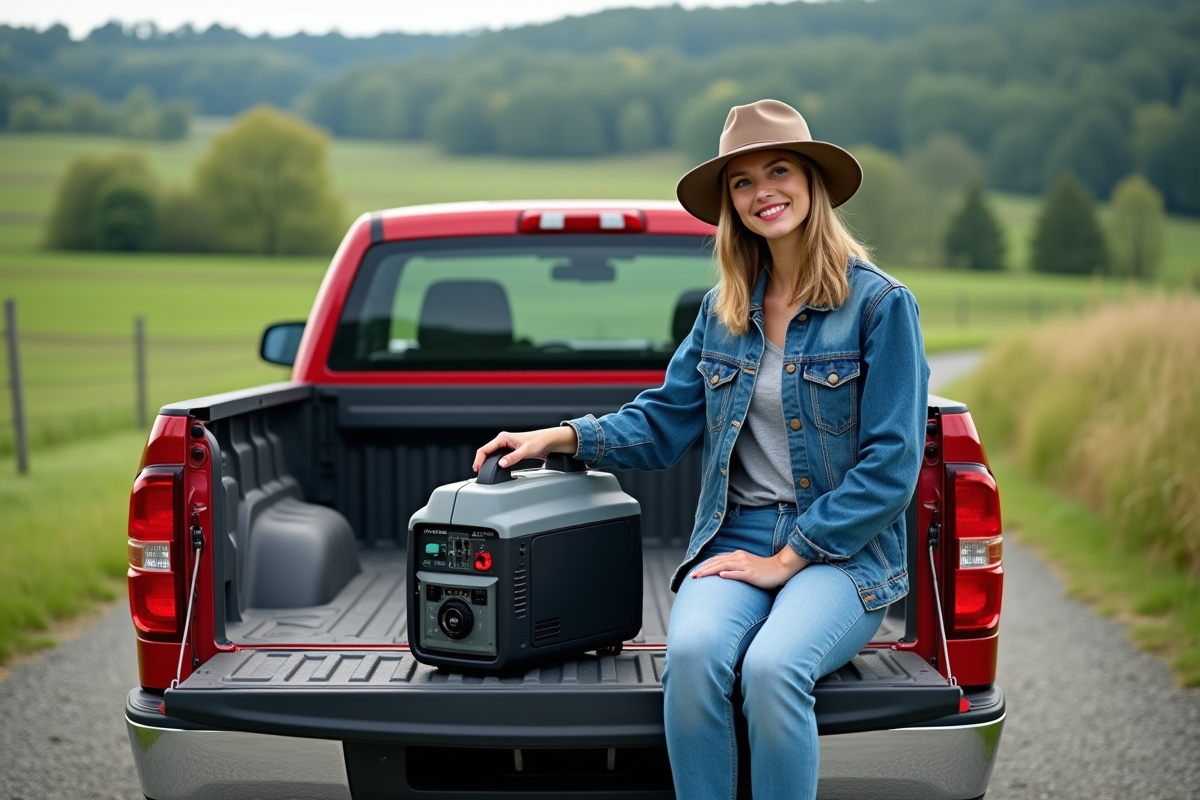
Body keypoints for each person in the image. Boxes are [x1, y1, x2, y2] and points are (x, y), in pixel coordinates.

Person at [472, 99, 929, 800]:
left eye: (778, 171)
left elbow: (892, 467)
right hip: (736, 533)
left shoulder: (879, 306)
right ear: (729, 204)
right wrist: (561, 436)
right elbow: (662, 423)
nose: (761, 192)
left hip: (843, 550)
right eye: (741, 182)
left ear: (812, 183)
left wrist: (789, 557)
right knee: (690, 658)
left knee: (774, 669)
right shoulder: (725, 309)